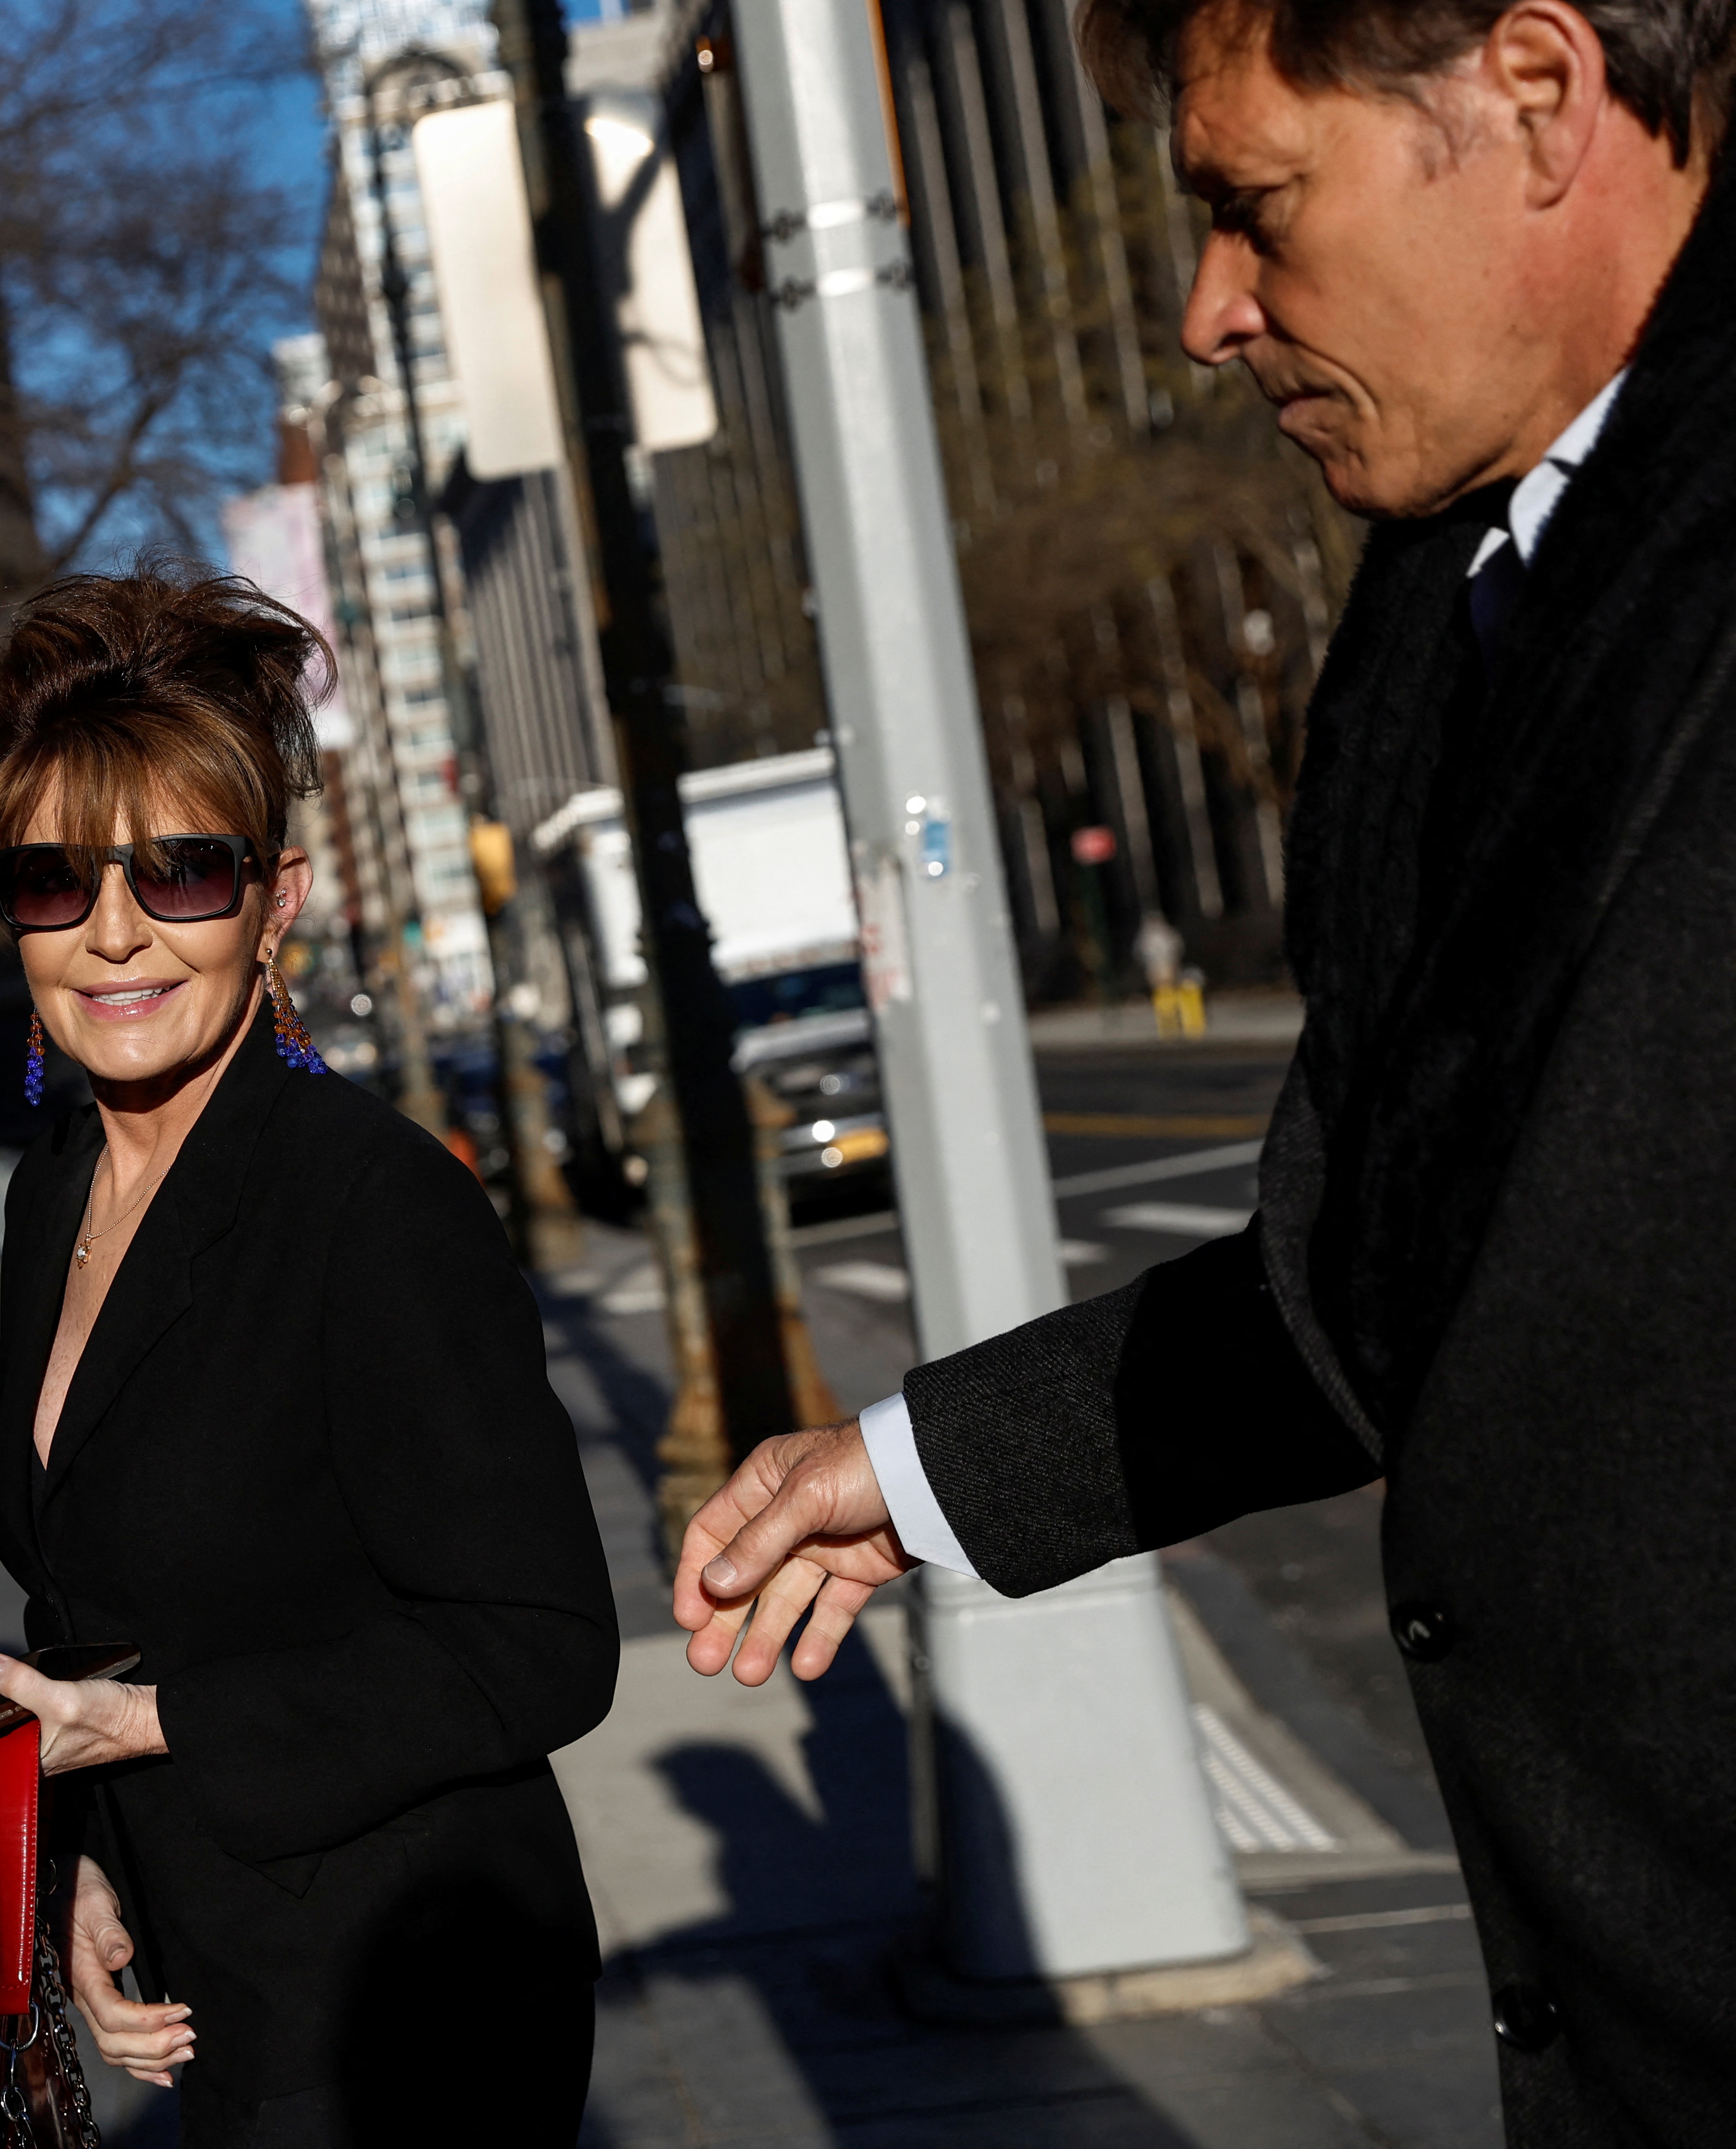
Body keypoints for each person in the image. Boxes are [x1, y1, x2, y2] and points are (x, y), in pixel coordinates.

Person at [672, 0, 1736, 2138]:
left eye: (1256, 206)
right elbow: (1391, 1279)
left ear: (1533, 99)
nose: (1202, 313)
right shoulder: (1437, 608)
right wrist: (921, 1472)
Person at [0, 569, 621, 2147]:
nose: (112, 932)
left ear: (275, 899)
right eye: (51, 879)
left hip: (410, 1995)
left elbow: (541, 1639)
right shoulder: (52, 1187)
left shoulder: (371, 1200)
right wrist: (73, 1850)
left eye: (181, 870)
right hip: (210, 1965)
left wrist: (144, 1726)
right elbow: (94, 1600)